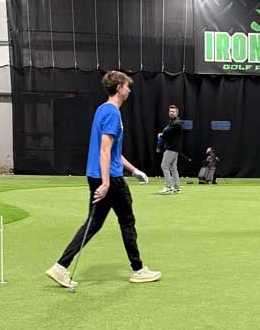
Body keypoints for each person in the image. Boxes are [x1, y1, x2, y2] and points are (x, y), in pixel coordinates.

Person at [45, 71, 161, 288]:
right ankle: (138, 270)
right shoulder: (112, 113)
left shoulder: (102, 110)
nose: (129, 90)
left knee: (94, 223)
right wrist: (106, 183)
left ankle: (60, 267)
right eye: (127, 86)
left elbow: (113, 152)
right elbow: (104, 151)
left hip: (100, 175)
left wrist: (134, 170)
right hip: (110, 179)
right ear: (119, 88)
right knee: (127, 221)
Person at [158, 104, 183, 194]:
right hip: (174, 148)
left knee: (164, 165)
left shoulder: (176, 123)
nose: (171, 113)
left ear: (177, 113)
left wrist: (161, 135)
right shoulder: (172, 122)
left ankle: (168, 187)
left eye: (173, 112)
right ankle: (177, 188)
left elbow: (165, 132)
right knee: (173, 168)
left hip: (172, 148)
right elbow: (167, 132)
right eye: (170, 111)